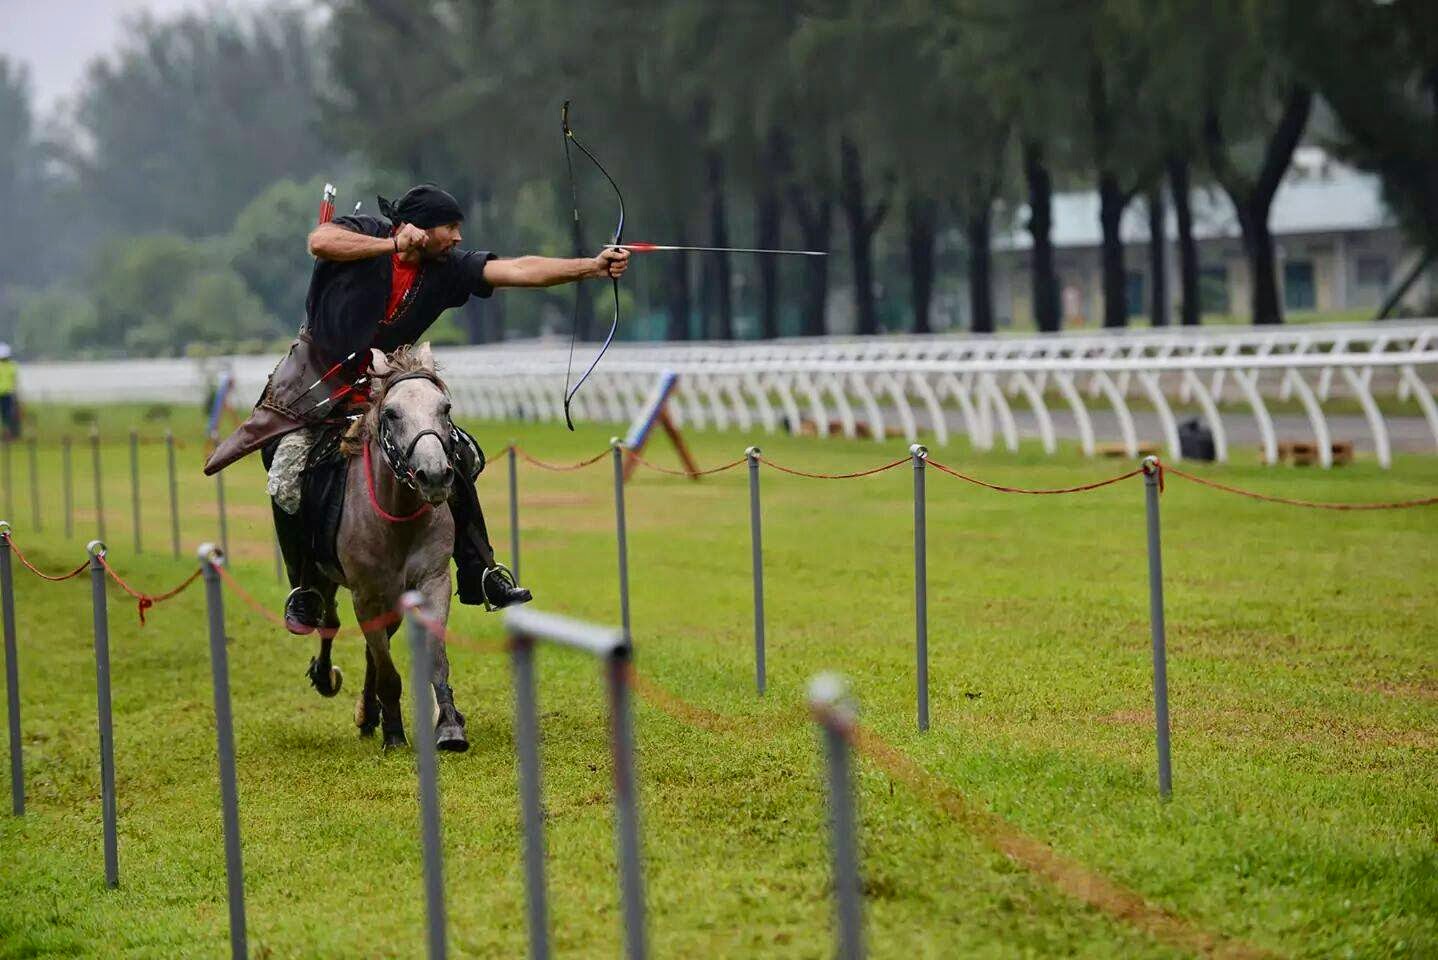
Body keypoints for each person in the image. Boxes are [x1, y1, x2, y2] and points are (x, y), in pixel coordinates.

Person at [203, 183, 629, 632]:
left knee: (453, 454)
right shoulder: (366, 233)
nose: (459, 238)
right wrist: (390, 244)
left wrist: (591, 268)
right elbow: (320, 240)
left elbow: (519, 268)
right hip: (314, 385)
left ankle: (479, 570)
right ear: (421, 229)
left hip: (384, 387)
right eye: (451, 227)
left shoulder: (447, 269)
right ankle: (306, 588)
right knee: (286, 474)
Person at [0, 344, 19, 440]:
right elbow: (15, 382)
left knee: (6, 415)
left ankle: (7, 433)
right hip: (8, 394)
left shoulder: (11, 366)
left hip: (6, 394)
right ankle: (7, 433)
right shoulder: (12, 366)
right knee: (7, 415)